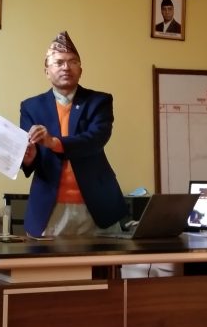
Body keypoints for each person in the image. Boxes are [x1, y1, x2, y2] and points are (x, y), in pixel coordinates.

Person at [20, 31, 128, 238]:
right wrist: (29, 156)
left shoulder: (99, 101)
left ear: (80, 70)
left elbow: (96, 139)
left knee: (105, 260)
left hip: (97, 205)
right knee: (49, 260)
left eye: (72, 62)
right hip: (50, 207)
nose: (66, 67)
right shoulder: (31, 106)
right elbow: (28, 153)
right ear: (47, 71)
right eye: (59, 62)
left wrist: (53, 142)